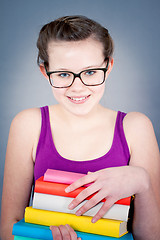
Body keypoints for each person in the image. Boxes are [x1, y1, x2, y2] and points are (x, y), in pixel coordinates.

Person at [1, 15, 160, 240]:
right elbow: (9, 227)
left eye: (90, 72)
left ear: (109, 66)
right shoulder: (28, 125)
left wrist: (142, 181)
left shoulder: (136, 128)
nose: (78, 87)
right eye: (64, 74)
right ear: (45, 72)